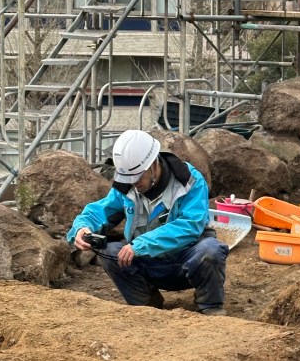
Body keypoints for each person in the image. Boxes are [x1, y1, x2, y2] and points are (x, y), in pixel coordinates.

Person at [68, 129, 229, 315]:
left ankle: (210, 305)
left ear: (154, 164)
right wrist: (82, 227)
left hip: (186, 261)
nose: (133, 183)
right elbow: (100, 210)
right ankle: (147, 305)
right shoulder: (127, 184)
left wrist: (141, 245)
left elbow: (190, 225)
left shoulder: (189, 181)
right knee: (109, 251)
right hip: (148, 262)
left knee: (210, 250)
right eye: (128, 178)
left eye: (137, 176)